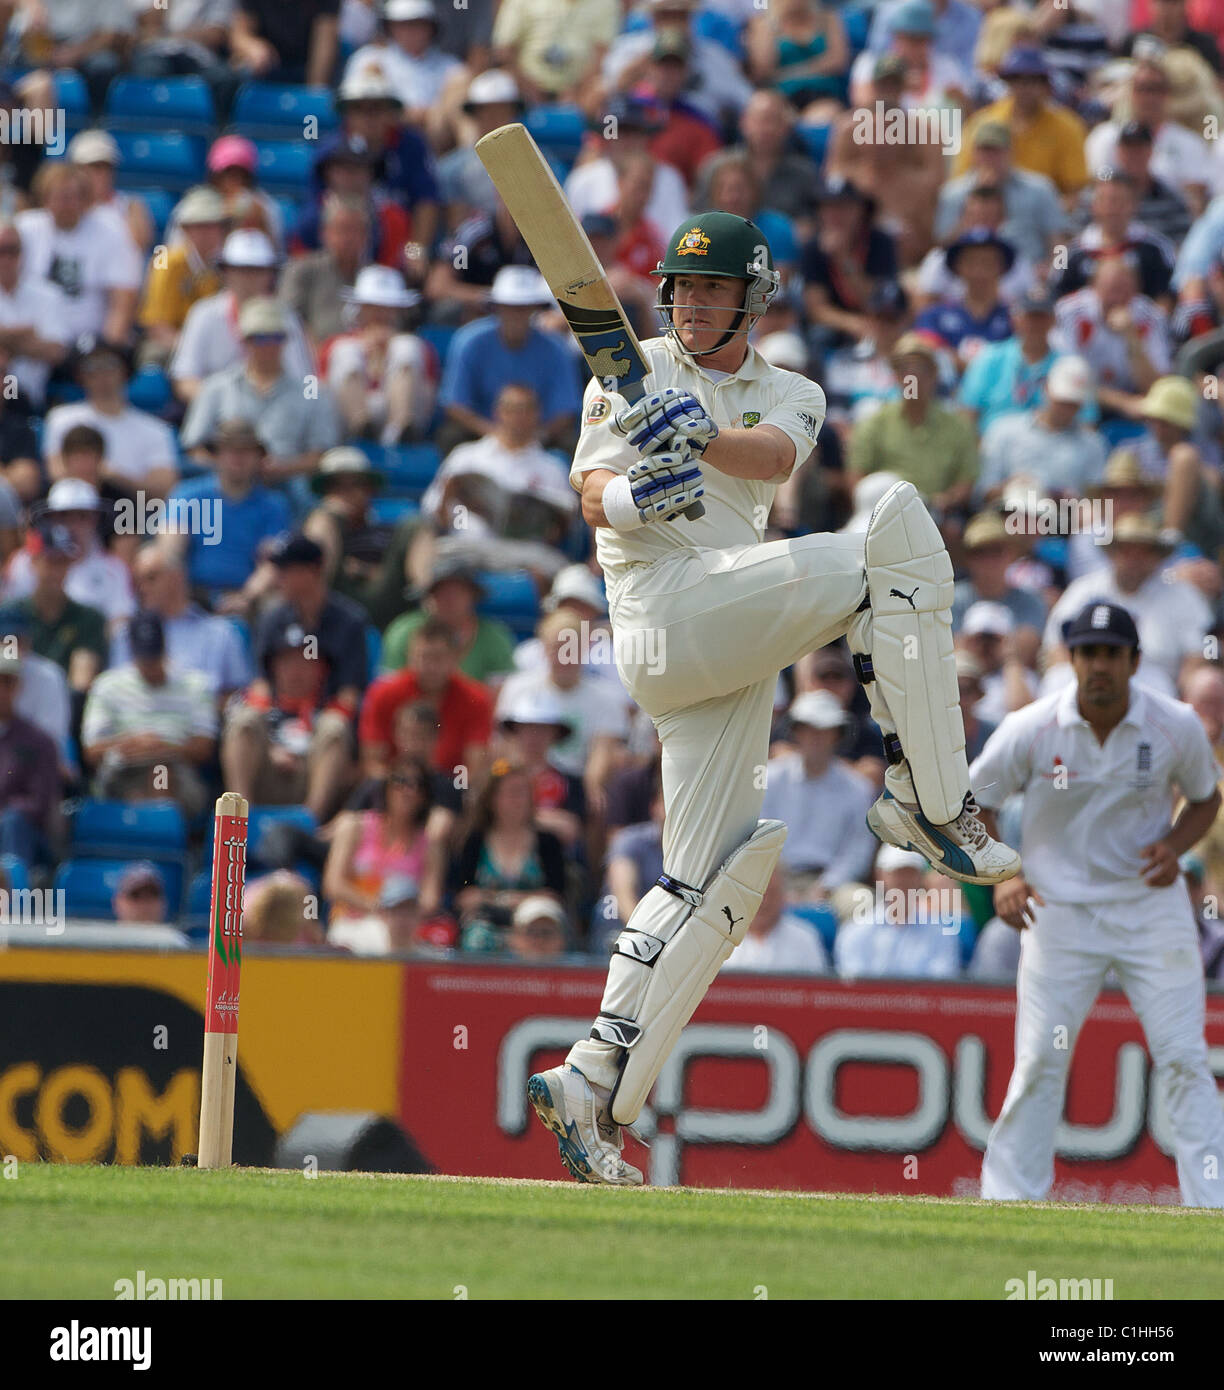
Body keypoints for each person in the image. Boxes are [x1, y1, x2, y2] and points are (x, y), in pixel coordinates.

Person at [526, 209, 1018, 1187]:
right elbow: (589, 495)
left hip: (729, 637)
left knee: (711, 882)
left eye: (714, 289)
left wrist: (702, 438)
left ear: (754, 298)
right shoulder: (626, 374)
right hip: (666, 611)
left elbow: (774, 459)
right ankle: (928, 798)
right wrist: (640, 494)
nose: (695, 304)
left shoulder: (790, 388)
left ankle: (592, 1086)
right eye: (684, 288)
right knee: (897, 537)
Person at [972, 601, 1224, 1208]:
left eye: (1111, 654)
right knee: (1038, 1062)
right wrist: (1004, 874)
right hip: (1057, 914)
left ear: (1135, 661)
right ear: (1070, 659)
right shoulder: (1031, 727)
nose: (1099, 666)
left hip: (1150, 908)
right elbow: (970, 803)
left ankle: (1213, 1205)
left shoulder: (1175, 725)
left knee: (1185, 1060)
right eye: (1087, 653)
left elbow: (1206, 798)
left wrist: (1174, 846)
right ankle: (1009, 1204)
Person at [179, 296, 341, 506]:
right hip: (224, 482)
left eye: (275, 337)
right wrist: (234, 466)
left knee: (306, 495)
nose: (268, 346)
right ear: (245, 341)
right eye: (261, 338)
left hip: (287, 483)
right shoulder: (216, 386)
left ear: (284, 341)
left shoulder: (310, 390)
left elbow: (321, 454)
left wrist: (284, 468)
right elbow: (194, 447)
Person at [1042, 514, 1211, 697]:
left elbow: (1200, 654)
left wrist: (1182, 700)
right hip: (1090, 684)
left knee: (1206, 681)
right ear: (1112, 553)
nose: (1134, 558)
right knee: (1057, 678)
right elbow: (1056, 647)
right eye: (1126, 549)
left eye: (1143, 550)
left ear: (1157, 556)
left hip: (1158, 687)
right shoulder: (1084, 590)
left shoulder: (1184, 596)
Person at [80, 610, 217, 819]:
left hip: (173, 770)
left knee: (159, 775)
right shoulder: (107, 686)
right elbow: (92, 751)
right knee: (135, 790)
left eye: (154, 656)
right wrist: (130, 744)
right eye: (144, 658)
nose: (150, 664)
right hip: (122, 771)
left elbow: (204, 747)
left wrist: (162, 747)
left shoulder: (195, 685)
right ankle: (146, 833)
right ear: (132, 651)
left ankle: (150, 834)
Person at [222, 621, 356, 824]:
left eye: (304, 662)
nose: (296, 671)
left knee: (335, 727)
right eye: (288, 662)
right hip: (264, 776)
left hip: (308, 779)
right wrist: (271, 751)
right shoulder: (252, 700)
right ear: (274, 666)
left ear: (320, 668)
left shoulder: (333, 708)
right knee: (243, 722)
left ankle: (308, 823)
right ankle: (239, 819)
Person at [439, 266, 581, 451]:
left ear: (534, 308)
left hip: (538, 434)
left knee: (572, 444)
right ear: (496, 307)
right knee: (450, 436)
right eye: (509, 307)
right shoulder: (469, 340)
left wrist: (538, 436)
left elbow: (566, 410)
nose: (516, 315)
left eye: (522, 308)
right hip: (481, 430)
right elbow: (454, 404)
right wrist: (495, 434)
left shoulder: (556, 347)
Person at [161, 418, 292, 614]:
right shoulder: (187, 494)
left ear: (258, 457)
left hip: (247, 599)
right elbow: (169, 549)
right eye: (230, 450)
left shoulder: (273, 506)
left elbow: (272, 563)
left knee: (277, 606)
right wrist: (179, 591)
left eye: (246, 450)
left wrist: (246, 597)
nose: (237, 457)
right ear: (217, 455)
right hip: (191, 593)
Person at [170, 229, 313, 405]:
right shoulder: (203, 314)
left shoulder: (286, 317)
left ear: (270, 274)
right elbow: (185, 379)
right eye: (240, 270)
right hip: (220, 421)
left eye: (256, 270)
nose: (248, 278)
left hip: (277, 414)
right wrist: (223, 405)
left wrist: (310, 407)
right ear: (226, 272)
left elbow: (306, 379)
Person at [760, 689, 878, 897]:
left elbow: (858, 850)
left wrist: (828, 885)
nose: (816, 738)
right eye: (809, 729)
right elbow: (758, 837)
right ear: (796, 732)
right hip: (773, 881)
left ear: (837, 735)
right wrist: (777, 884)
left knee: (861, 902)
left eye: (825, 729)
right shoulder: (770, 779)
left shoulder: (859, 788)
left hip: (833, 886)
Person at [323, 753, 447, 947]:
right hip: (352, 922)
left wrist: (400, 917)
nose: (408, 790)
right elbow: (333, 884)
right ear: (386, 786)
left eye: (418, 784)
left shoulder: (430, 843)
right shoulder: (354, 827)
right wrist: (377, 908)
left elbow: (430, 900)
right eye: (401, 781)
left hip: (403, 929)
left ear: (425, 795)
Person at [848, 331, 978, 515]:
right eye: (904, 370)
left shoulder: (957, 426)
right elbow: (857, 476)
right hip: (884, 511)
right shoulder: (874, 422)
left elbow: (966, 479)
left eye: (921, 369)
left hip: (936, 513)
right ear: (895, 376)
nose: (912, 377)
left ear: (934, 375)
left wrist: (947, 500)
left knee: (953, 532)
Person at [15, 163, 141, 347]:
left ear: (86, 200)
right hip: (35, 341)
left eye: (71, 198)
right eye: (58, 197)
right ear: (44, 198)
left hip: (88, 342)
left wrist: (109, 349)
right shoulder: (25, 228)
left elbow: (122, 301)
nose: (65, 205)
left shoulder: (111, 230)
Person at [360, 616, 494, 780]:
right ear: (409, 656)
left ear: (455, 658)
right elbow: (372, 762)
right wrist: (402, 788)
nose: (429, 666)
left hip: (451, 789)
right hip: (395, 788)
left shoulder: (476, 699)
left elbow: (475, 768)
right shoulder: (383, 694)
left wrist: (450, 794)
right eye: (422, 657)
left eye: (437, 658)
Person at [452, 759, 567, 949]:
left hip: (536, 922)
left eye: (522, 793)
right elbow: (464, 896)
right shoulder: (475, 841)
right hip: (486, 922)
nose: (517, 800)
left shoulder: (547, 842)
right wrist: (511, 900)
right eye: (510, 793)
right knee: (478, 938)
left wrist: (496, 898)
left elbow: (554, 895)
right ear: (491, 799)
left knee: (543, 936)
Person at [44, 341, 179, 500]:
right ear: (80, 375)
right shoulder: (61, 418)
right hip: (74, 507)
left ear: (125, 370)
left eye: (109, 364)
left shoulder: (156, 429)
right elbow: (57, 472)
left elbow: (165, 489)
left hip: (132, 514)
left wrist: (113, 476)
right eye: (92, 366)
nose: (101, 373)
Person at [114, 548, 251, 702]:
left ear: (177, 577)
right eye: (138, 582)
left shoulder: (221, 634)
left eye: (151, 578)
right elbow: (118, 692)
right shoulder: (126, 635)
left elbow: (238, 695)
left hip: (204, 722)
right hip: (139, 722)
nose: (143, 589)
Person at [955, 48, 1087, 200]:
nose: (1025, 88)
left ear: (1045, 86)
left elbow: (1075, 189)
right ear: (1008, 83)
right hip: (988, 210)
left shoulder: (1067, 127)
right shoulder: (982, 124)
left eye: (1033, 81)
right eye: (1018, 80)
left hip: (1044, 213)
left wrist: (1046, 211)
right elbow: (961, 182)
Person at [976, 355, 1107, 504]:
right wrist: (1010, 487)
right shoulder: (1003, 431)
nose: (1066, 408)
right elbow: (982, 493)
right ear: (1046, 389)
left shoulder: (1093, 444)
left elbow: (1096, 501)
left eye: (1073, 403)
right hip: (1008, 517)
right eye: (1061, 400)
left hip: (1066, 522)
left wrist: (1069, 500)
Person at [326, 264, 432, 445]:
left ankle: (401, 429)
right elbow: (314, 390)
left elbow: (429, 394)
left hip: (402, 414)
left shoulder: (419, 347)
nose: (380, 313)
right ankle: (361, 427)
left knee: (407, 347)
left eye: (387, 307)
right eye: (372, 306)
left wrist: (390, 357)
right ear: (360, 308)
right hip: (345, 419)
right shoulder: (335, 344)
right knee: (345, 350)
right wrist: (363, 354)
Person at [380, 556, 515, 685]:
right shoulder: (403, 632)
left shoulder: (494, 638)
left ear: (473, 596)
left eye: (457, 592)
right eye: (440, 591)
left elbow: (500, 696)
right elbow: (390, 689)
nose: (449, 600)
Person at [137, 185, 228, 368]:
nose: (207, 233)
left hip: (217, 344)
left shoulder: (230, 265)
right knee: (153, 356)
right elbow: (157, 325)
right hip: (174, 342)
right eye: (200, 226)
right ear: (186, 229)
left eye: (213, 226)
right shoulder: (164, 260)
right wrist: (193, 348)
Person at [15, 523, 108, 696]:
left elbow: (81, 682)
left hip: (66, 711)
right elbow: (7, 673)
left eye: (63, 562)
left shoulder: (88, 618)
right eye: (50, 561)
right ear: (33, 562)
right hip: (17, 709)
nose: (57, 571)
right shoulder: (10, 614)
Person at [0, 217, 72, 416]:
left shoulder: (48, 294)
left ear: (22, 253)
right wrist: (27, 335)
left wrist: (5, 341)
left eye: (12, 250)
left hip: (28, 398)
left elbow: (56, 352)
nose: (6, 259)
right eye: (0, 251)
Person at [279, 194, 370, 346]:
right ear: (325, 233)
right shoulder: (302, 270)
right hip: (311, 356)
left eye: (356, 230)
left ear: (366, 236)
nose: (349, 238)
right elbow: (287, 318)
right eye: (343, 229)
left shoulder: (374, 277)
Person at [0, 650, 61, 872]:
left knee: (13, 822)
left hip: (24, 838)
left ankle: (11, 898)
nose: (1, 690)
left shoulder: (38, 741)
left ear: (18, 687)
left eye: (7, 682)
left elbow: (39, 802)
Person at [111, 861, 168, 925]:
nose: (145, 903)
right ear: (116, 902)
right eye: (135, 895)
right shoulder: (101, 934)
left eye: (153, 894)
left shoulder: (174, 934)